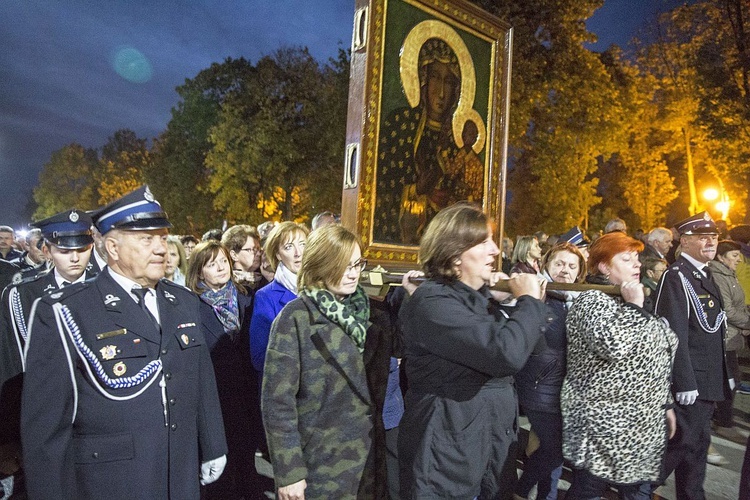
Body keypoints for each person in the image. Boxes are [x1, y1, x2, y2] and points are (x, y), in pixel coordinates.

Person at [20, 186, 227, 499]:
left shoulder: (182, 302)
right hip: (112, 481)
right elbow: (46, 430)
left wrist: (214, 443)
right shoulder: (66, 310)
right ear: (113, 248)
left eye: (162, 237)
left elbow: (200, 375)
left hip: (180, 473)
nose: (161, 248)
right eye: (147, 239)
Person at [397, 203, 550, 498]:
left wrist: (507, 304)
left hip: (488, 448)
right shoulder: (434, 304)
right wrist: (529, 302)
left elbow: (534, 350)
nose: (495, 250)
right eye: (484, 242)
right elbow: (505, 355)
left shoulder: (475, 300)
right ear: (455, 255)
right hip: (446, 457)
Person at [262, 224, 398, 499]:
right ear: (321, 265)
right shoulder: (296, 318)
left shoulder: (375, 315)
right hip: (321, 464)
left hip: (369, 462)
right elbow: (277, 403)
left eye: (357, 263)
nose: (352, 273)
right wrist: (290, 473)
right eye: (342, 265)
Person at [561, 232, 677, 498]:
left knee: (638, 491)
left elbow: (653, 359)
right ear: (604, 266)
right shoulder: (591, 301)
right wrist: (634, 307)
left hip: (640, 422)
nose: (637, 264)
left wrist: (665, 403)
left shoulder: (628, 300)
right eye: (627, 259)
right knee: (589, 489)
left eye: (637, 258)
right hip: (602, 423)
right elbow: (613, 345)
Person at [0, 209, 96, 499]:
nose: (75, 257)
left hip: (98, 423)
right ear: (48, 250)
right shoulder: (24, 295)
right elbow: (12, 368)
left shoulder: (107, 290)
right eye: (65, 250)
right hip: (44, 420)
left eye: (82, 248)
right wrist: (8, 440)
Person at [653, 212, 732, 499]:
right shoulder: (677, 277)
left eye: (713, 237)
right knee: (678, 447)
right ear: (684, 242)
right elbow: (674, 335)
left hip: (707, 381)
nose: (710, 242)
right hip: (692, 384)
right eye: (702, 237)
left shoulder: (703, 273)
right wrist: (683, 381)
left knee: (696, 451)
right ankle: (636, 490)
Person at [187, 240, 268, 499]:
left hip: (246, 395)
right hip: (217, 398)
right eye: (212, 264)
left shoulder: (246, 297)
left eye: (223, 261)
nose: (221, 268)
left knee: (247, 465)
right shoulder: (192, 306)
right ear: (199, 272)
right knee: (223, 476)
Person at [514, 242, 586, 500]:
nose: (564, 270)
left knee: (548, 451)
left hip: (564, 390)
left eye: (571, 265)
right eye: (559, 263)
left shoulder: (577, 299)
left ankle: (545, 495)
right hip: (539, 386)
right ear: (546, 265)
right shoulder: (539, 294)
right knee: (556, 449)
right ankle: (520, 491)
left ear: (579, 272)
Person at [374, 38, 463, 245]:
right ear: (423, 79)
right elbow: (381, 188)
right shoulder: (400, 124)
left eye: (449, 82)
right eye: (435, 77)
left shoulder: (456, 142)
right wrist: (416, 190)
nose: (441, 92)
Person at [249, 221, 309, 376]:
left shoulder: (322, 289)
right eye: (289, 247)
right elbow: (259, 358)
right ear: (277, 254)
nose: (298, 253)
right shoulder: (266, 296)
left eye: (302, 244)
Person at [707, 240, 750, 444]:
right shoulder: (718, 276)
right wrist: (747, 322)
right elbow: (727, 309)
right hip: (723, 336)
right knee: (729, 380)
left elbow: (738, 305)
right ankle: (723, 422)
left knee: (732, 379)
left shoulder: (729, 274)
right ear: (720, 257)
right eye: (734, 255)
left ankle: (722, 419)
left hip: (732, 335)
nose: (739, 259)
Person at [221, 224, 266, 290]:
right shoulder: (225, 286)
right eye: (252, 250)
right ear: (234, 255)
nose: (259, 254)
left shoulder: (265, 279)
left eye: (259, 249)